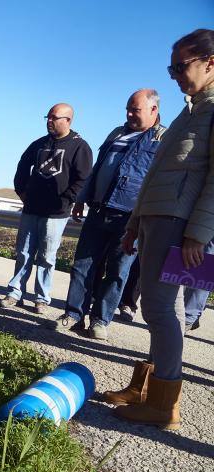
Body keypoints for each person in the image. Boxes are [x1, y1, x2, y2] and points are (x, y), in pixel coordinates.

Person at [103, 28, 214, 430]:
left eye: (180, 66)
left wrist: (198, 234)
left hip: (180, 226)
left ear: (210, 62)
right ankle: (147, 387)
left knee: (161, 309)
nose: (174, 75)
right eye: (171, 67)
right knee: (166, 310)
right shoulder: (190, 111)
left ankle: (164, 403)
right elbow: (154, 177)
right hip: (155, 219)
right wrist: (134, 224)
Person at [53, 90, 166, 339]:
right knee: (83, 266)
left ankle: (100, 320)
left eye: (134, 110)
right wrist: (83, 198)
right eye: (127, 108)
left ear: (153, 110)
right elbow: (98, 168)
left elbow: (161, 182)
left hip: (130, 217)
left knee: (118, 271)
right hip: (99, 208)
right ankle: (73, 314)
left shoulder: (162, 139)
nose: (128, 114)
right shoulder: (117, 132)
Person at [0, 103, 92, 313]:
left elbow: (83, 178)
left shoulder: (80, 147)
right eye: (48, 117)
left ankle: (42, 298)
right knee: (24, 252)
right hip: (32, 209)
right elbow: (22, 165)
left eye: (54, 118)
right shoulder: (40, 144)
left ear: (68, 120)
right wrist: (22, 191)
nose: (49, 121)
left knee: (47, 256)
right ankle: (15, 292)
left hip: (56, 214)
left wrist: (66, 200)